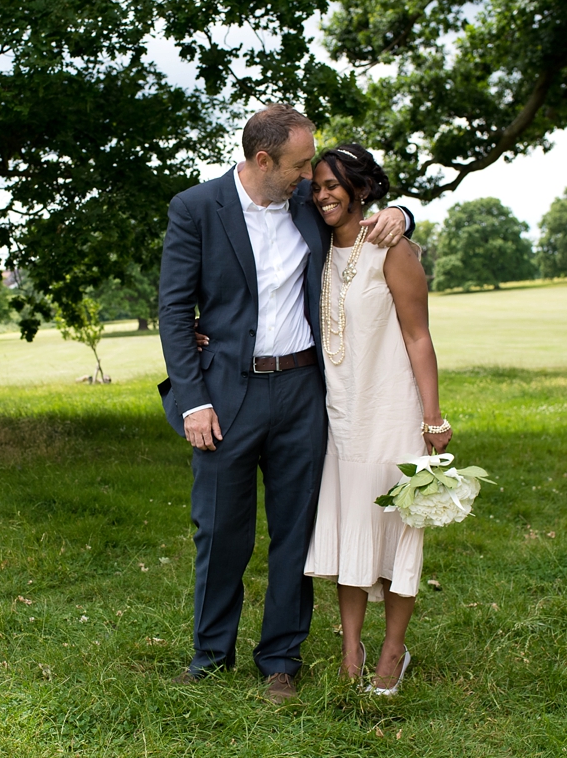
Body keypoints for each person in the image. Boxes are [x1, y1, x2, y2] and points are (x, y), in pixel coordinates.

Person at [156, 105, 413, 703]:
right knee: (221, 530)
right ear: (262, 160)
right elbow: (174, 311)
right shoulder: (196, 208)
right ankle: (210, 655)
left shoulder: (305, 204)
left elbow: (361, 200)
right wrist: (193, 401)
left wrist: (402, 212)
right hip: (224, 396)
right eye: (300, 165)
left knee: (294, 533)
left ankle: (280, 661)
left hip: (302, 391)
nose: (309, 177)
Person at [302, 144, 451, 695]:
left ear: (361, 188)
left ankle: (393, 651)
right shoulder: (313, 247)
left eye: (334, 185)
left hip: (392, 414)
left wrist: (432, 419)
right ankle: (350, 650)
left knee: (395, 532)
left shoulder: (394, 248)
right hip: (339, 419)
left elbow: (419, 337)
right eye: (316, 186)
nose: (323, 195)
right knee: (349, 535)